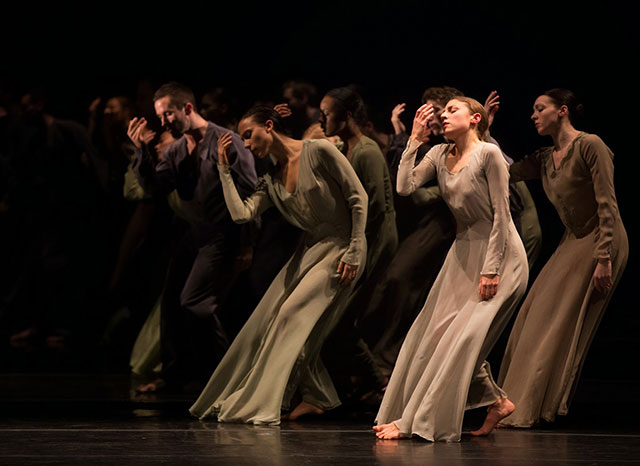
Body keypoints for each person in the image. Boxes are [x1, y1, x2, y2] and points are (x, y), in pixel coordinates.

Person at [189, 105, 367, 424]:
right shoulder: (271, 179)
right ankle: (319, 396)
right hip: (310, 251)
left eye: (248, 135)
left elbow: (358, 198)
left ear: (268, 127)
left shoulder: (320, 150)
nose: (245, 144)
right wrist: (224, 171)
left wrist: (355, 248)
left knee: (288, 315)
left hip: (343, 247)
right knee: (269, 321)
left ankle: (291, 397)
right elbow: (242, 214)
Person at [374, 97, 528, 442]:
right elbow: (404, 186)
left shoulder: (488, 155)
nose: (443, 115)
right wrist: (414, 140)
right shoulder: (439, 155)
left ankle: (416, 419)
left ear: (476, 119)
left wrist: (492, 270)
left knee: (464, 341)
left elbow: (502, 215)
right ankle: (497, 402)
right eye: (442, 111)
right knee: (436, 337)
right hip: (461, 255)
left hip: (499, 255)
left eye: (452, 110)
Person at [495, 89, 628, 428]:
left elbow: (607, 204)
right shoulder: (544, 158)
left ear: (562, 111)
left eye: (540, 109)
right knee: (531, 314)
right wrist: (485, 133)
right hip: (573, 240)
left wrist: (604, 258)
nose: (533, 115)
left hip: (601, 238)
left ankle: (533, 406)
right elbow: (503, 170)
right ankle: (513, 404)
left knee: (556, 323)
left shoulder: (590, 146)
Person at [127, 82, 257, 392]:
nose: (164, 122)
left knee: (196, 302)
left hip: (223, 234)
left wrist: (247, 243)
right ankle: (176, 375)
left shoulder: (226, 141)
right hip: (195, 235)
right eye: (160, 116)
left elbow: (251, 191)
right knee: (172, 303)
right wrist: (141, 152)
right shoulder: (175, 150)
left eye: (168, 113)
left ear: (188, 108)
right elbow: (156, 188)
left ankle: (227, 377)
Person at [317, 87, 397, 400]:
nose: (322, 119)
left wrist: (355, 246)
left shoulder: (366, 151)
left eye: (328, 113)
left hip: (375, 239)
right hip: (362, 238)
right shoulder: (346, 147)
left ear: (347, 116)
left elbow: (375, 205)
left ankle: (378, 381)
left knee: (340, 319)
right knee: (337, 318)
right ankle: (357, 382)